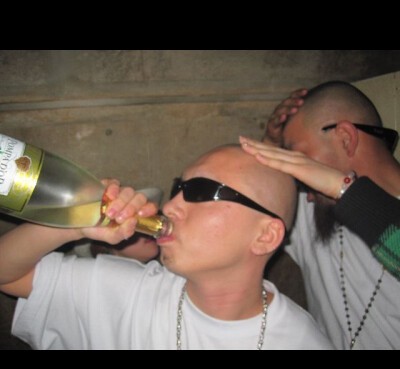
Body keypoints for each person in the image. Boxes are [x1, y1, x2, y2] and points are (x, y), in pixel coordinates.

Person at [0, 144, 333, 350]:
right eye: (178, 188)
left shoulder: (301, 342)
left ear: (265, 236)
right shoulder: (128, 292)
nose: (171, 205)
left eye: (201, 191)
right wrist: (76, 223)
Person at [241, 81, 400, 350]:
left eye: (300, 159)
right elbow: (243, 208)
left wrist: (343, 189)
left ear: (346, 138)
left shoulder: (335, 198)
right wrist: (270, 146)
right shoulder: (316, 209)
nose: (300, 178)